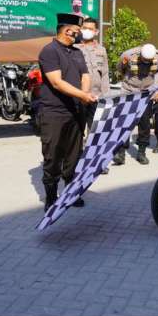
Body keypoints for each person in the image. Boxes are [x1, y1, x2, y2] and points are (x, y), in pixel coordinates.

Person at [38, 13, 97, 211]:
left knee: (74, 155)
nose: (79, 34)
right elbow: (56, 82)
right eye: (77, 31)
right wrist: (82, 95)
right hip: (54, 112)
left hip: (76, 111)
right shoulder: (49, 51)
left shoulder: (77, 52)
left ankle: (70, 193)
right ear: (67, 30)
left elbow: (85, 75)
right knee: (53, 154)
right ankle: (51, 197)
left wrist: (85, 94)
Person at [114, 43, 158, 166]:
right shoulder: (128, 55)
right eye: (144, 60)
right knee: (124, 123)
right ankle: (121, 152)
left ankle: (141, 152)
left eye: (148, 61)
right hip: (129, 90)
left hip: (146, 93)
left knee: (145, 123)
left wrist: (156, 90)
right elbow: (120, 69)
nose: (146, 62)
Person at [75, 17, 110, 129]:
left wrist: (105, 96)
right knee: (77, 129)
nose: (87, 31)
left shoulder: (101, 50)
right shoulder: (74, 48)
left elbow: (105, 74)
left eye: (90, 29)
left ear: (96, 32)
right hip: (79, 96)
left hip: (96, 97)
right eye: (84, 28)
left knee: (95, 129)